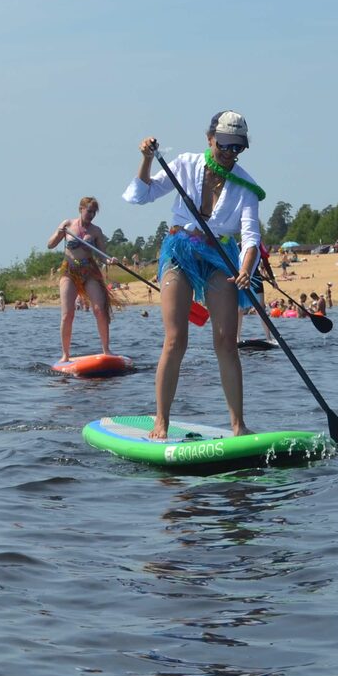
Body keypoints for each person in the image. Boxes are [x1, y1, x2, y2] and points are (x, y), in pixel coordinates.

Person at [124, 111, 262, 439]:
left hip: (220, 256)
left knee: (226, 341)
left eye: (237, 148)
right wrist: (146, 160)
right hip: (181, 249)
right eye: (224, 146)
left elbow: (251, 237)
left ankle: (238, 426)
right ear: (210, 139)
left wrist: (246, 269)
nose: (229, 154)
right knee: (176, 339)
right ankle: (161, 420)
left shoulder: (247, 186)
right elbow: (140, 195)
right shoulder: (184, 164)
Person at [47, 198, 113, 360]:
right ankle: (65, 354)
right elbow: (50, 244)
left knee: (99, 310)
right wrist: (59, 232)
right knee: (68, 313)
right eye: (88, 211)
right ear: (81, 209)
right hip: (69, 270)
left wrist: (110, 260)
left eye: (93, 212)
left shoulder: (96, 231)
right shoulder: (68, 224)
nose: (91, 215)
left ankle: (106, 350)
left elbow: (102, 255)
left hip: (89, 270)